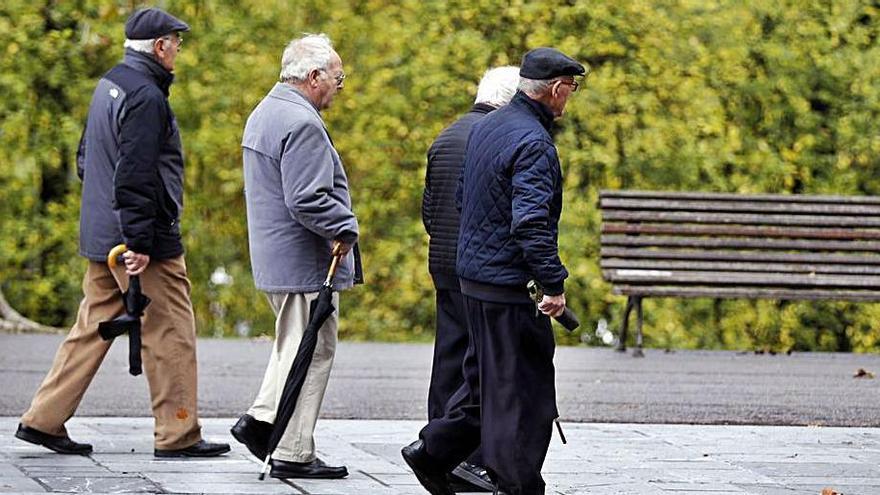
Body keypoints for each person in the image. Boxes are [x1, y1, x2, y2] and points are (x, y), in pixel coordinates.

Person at [15, 8, 230, 458]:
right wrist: (139, 242)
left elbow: (85, 158)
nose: (178, 50)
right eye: (176, 42)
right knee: (171, 331)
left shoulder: (110, 84)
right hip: (137, 241)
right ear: (159, 47)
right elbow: (135, 175)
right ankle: (178, 434)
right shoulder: (147, 97)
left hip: (102, 232)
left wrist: (111, 224)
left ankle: (43, 419)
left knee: (93, 326)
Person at [402, 47, 586, 495]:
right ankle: (516, 483)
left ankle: (433, 452)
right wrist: (553, 283)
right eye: (572, 89)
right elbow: (531, 222)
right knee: (526, 393)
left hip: (474, 283)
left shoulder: (487, 128)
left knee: (483, 382)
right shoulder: (535, 143)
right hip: (509, 287)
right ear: (557, 90)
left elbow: (464, 202)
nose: (570, 98)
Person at [231, 33, 361, 480]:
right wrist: (345, 226)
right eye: (337, 78)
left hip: (276, 257)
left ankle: (262, 421)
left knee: (293, 346)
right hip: (304, 261)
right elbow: (307, 199)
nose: (339, 87)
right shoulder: (301, 122)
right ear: (314, 76)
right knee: (313, 350)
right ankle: (291, 448)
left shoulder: (265, 112)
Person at [421, 65, 520, 493]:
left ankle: (435, 449)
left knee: (448, 359)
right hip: (478, 270)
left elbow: (429, 209)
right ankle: (471, 460)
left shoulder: (445, 136)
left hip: (442, 262)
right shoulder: (495, 139)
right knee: (482, 365)